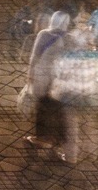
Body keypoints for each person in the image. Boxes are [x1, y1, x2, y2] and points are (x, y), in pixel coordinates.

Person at [25, 11, 72, 152]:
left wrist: (30, 75)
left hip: (43, 77)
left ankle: (42, 138)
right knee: (58, 108)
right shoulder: (69, 38)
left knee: (42, 107)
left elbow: (35, 56)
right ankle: (59, 140)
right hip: (60, 79)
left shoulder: (44, 34)